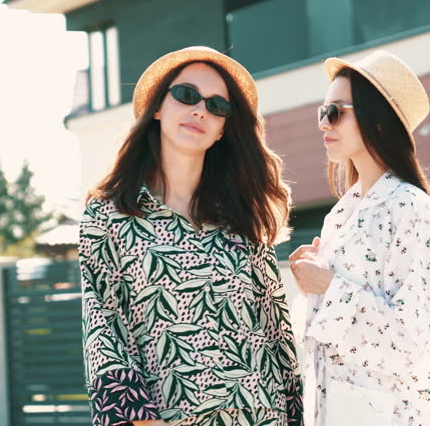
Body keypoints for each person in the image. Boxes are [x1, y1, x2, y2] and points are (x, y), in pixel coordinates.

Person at [79, 46, 303, 426]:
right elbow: (102, 325)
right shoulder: (109, 214)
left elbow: (276, 331)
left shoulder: (244, 219)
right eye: (186, 95)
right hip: (168, 418)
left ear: (222, 130)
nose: (200, 110)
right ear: (156, 107)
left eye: (218, 106)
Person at [289, 50, 430, 426]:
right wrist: (311, 281)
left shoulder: (411, 209)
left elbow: (412, 341)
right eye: (322, 112)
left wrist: (328, 286)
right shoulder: (343, 213)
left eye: (336, 112)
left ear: (378, 118)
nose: (323, 123)